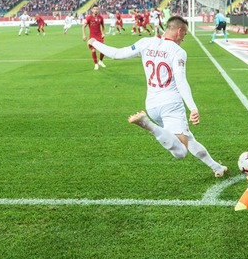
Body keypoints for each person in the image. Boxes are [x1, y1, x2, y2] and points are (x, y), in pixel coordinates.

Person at [88, 16, 226, 177]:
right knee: (180, 152)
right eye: (184, 35)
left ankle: (217, 167)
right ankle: (149, 126)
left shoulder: (146, 43)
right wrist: (193, 107)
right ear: (179, 31)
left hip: (152, 105)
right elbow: (180, 80)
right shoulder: (178, 51)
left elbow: (117, 54)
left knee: (188, 139)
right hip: (171, 104)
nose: (183, 39)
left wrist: (94, 42)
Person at [82, 5, 106, 70]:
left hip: (99, 36)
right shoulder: (89, 18)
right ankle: (96, 64)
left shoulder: (101, 18)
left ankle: (100, 61)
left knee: (103, 50)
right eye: (94, 9)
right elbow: (83, 26)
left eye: (97, 9)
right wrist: (84, 35)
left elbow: (103, 26)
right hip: (92, 37)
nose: (95, 10)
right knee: (93, 50)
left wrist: (103, 33)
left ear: (98, 10)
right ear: (92, 10)